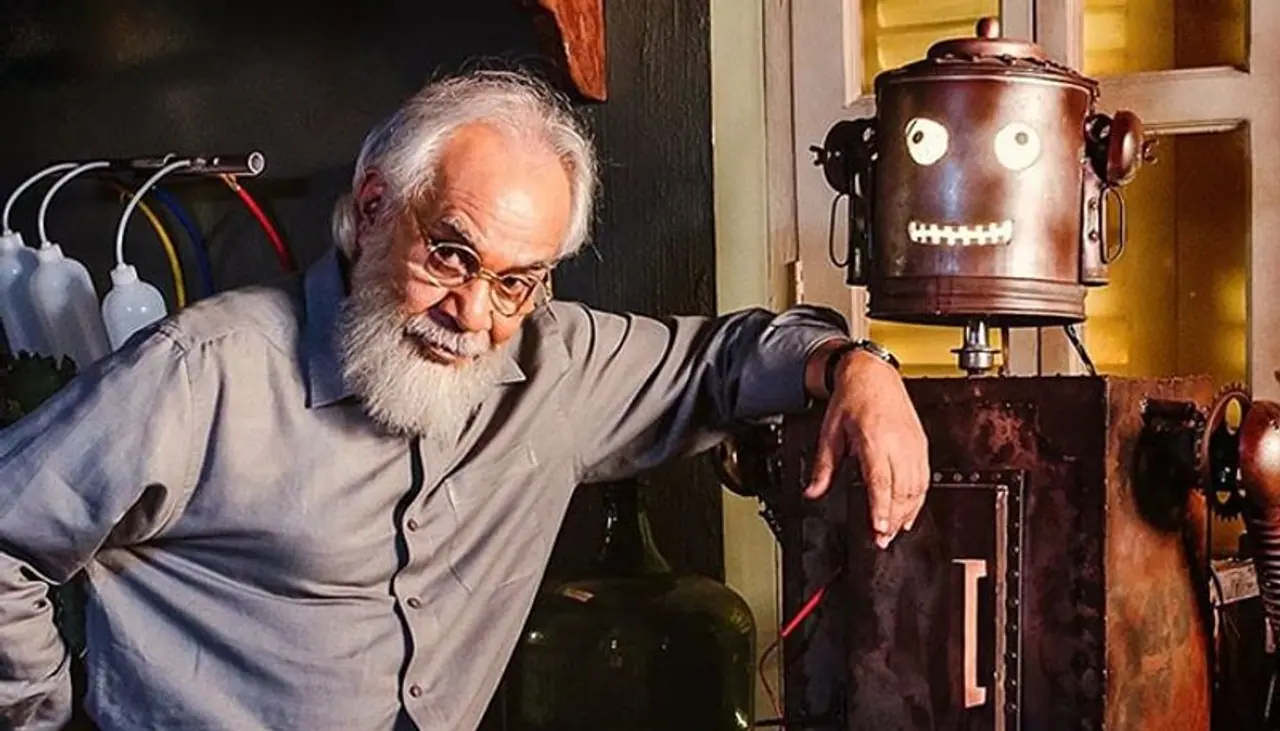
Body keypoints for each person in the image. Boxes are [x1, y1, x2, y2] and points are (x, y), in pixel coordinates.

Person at [0, 70, 928, 731]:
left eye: (519, 280)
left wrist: (856, 367)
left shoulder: (557, 363)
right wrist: (48, 716)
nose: (475, 314)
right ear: (373, 207)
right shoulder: (204, 371)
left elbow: (726, 359)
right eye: (450, 255)